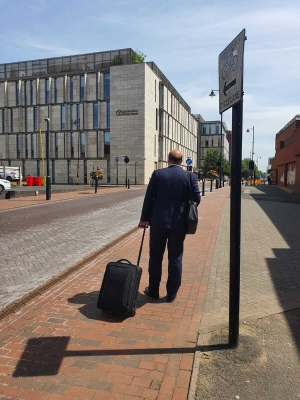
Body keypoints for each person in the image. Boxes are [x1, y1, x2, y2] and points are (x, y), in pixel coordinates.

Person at [138, 150, 201, 302]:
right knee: (175, 257)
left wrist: (144, 219)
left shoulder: (158, 174)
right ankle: (171, 294)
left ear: (168, 160)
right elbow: (197, 198)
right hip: (179, 225)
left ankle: (153, 290)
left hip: (158, 223)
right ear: (181, 161)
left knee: (155, 257)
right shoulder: (189, 176)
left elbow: (148, 198)